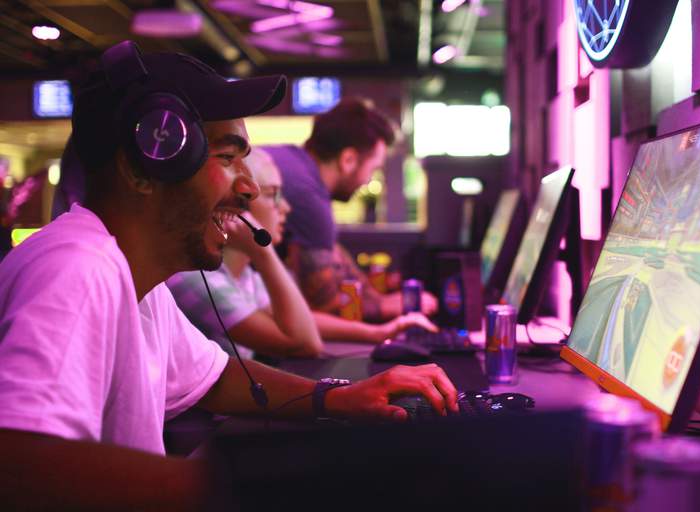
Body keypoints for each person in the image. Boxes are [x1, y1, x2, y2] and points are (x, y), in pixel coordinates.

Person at [0, 41, 458, 511]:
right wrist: (270, 481)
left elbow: (217, 378)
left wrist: (342, 398)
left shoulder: (138, 281)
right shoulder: (78, 268)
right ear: (144, 166)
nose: (250, 188)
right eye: (226, 158)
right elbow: (19, 467)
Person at [168, 148, 437, 360]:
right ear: (239, 205)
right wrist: (264, 254)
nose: (285, 207)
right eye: (273, 194)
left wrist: (377, 333)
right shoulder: (193, 279)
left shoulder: (244, 276)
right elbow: (303, 343)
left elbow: (304, 322)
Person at [263, 99, 438, 321]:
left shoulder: (293, 165)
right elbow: (325, 305)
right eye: (373, 169)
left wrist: (376, 296)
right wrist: (386, 306)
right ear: (348, 160)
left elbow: (331, 250)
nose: (369, 181)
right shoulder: (307, 195)